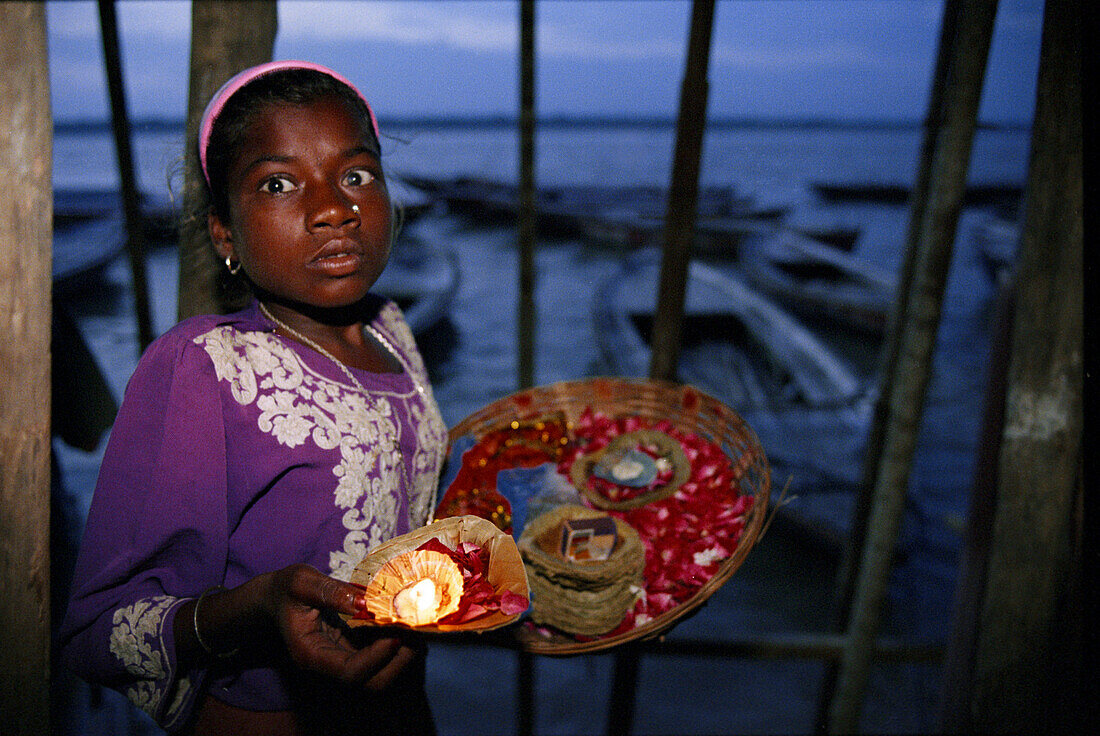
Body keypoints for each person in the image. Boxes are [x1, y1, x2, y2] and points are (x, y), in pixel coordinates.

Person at [59, 60, 448, 736]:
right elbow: (96, 633)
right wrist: (251, 608)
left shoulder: (391, 329)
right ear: (225, 234)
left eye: (356, 175)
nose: (333, 208)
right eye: (278, 183)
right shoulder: (204, 369)